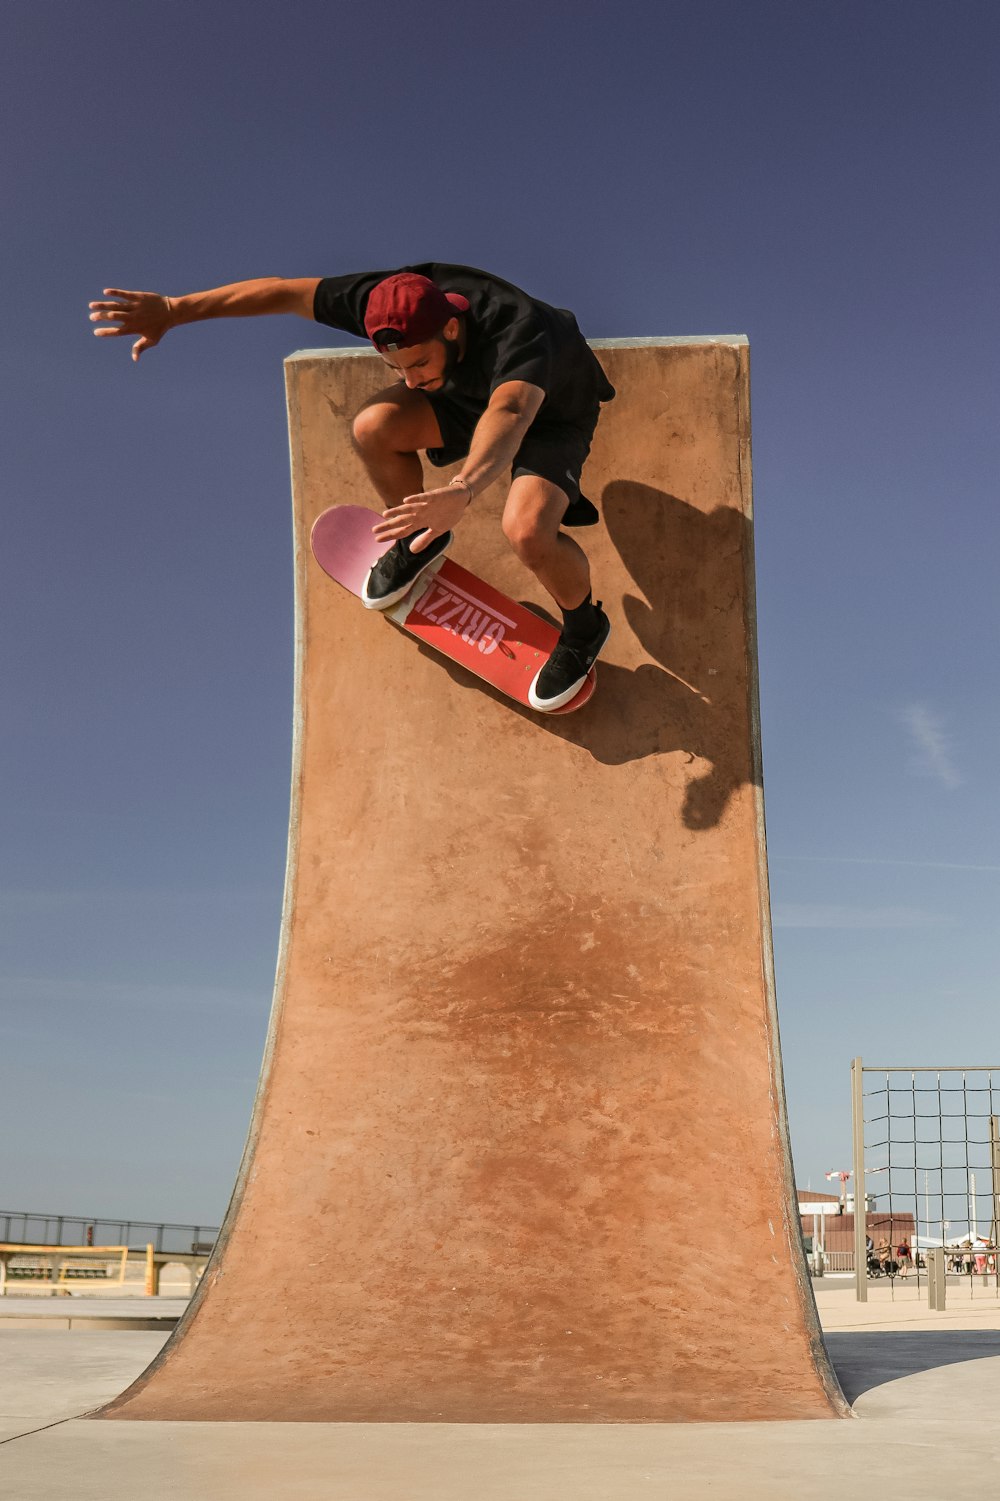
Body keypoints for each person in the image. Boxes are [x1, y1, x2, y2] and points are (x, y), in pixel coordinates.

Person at [89, 264, 615, 712]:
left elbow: (513, 411)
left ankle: (583, 626)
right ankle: (418, 540)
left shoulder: (516, 330)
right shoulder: (387, 301)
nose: (408, 379)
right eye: (396, 367)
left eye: (417, 363)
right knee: (374, 426)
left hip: (550, 413)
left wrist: (461, 489)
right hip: (467, 398)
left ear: (452, 330)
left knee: (525, 530)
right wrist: (177, 309)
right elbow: (283, 292)